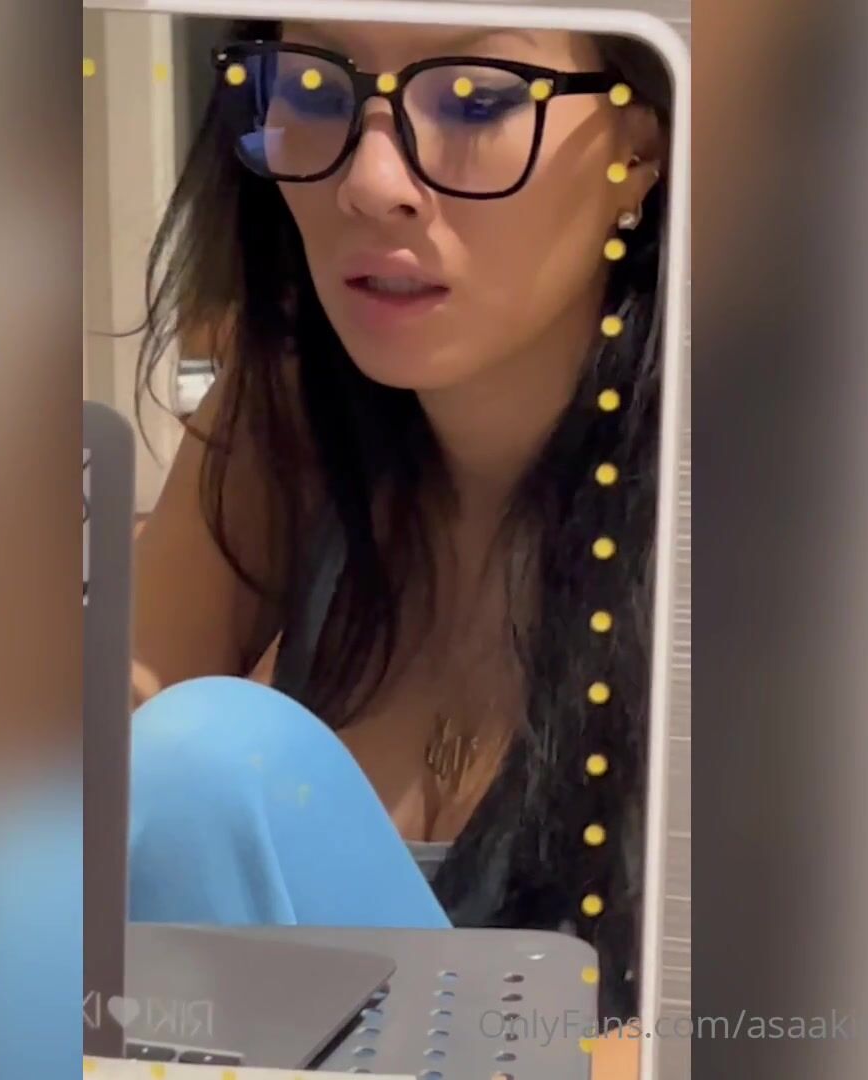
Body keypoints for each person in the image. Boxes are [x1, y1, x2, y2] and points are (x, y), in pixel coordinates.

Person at [129, 15, 667, 1058]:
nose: (372, 183)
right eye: (312, 89)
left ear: (638, 150)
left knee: (214, 763)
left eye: (476, 99)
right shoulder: (289, 413)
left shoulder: (769, 508)